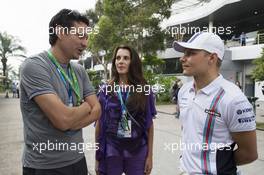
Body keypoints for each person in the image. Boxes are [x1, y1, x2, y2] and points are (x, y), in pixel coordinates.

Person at [20, 9, 101, 175]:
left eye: (86, 37)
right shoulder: (35, 66)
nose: (85, 43)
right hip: (45, 166)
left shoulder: (79, 70)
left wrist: (71, 119)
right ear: (60, 32)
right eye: (80, 36)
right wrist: (85, 107)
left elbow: (97, 110)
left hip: (77, 160)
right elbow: (63, 120)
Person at [173, 32, 258, 174]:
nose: (182, 58)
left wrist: (216, 164)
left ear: (212, 58)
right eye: (184, 53)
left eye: (191, 53)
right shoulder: (184, 91)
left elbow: (249, 153)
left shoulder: (233, 99)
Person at [95, 45, 156, 175]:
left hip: (137, 150)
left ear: (132, 62)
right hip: (111, 150)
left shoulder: (144, 90)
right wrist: (97, 157)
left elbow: (149, 125)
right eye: (118, 58)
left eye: (126, 58)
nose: (121, 61)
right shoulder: (106, 90)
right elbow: (99, 124)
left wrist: (149, 156)